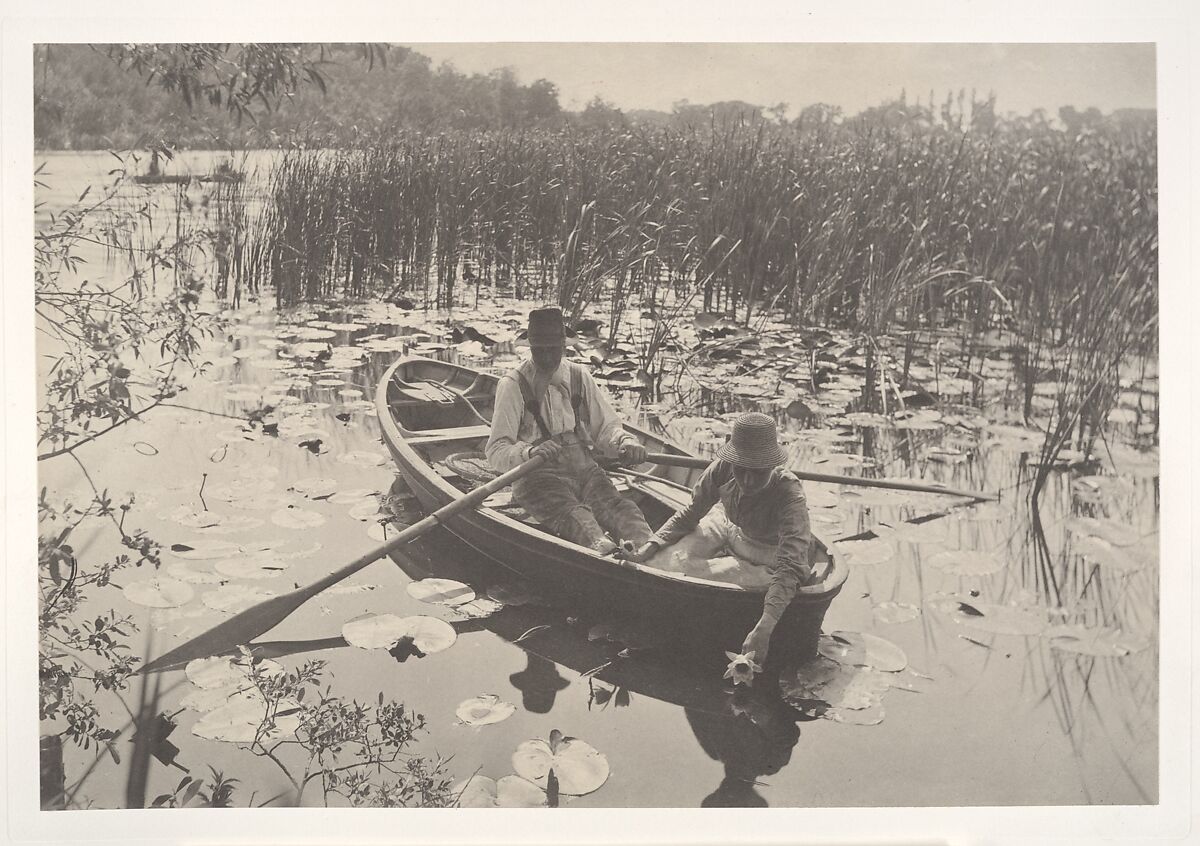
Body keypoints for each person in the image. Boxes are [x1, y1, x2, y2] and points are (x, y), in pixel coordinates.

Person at [628, 412, 815, 668]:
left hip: (767, 552)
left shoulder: (790, 494)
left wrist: (764, 628)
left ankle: (747, 572)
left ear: (772, 466)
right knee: (663, 563)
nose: (747, 481)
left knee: (702, 580)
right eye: (742, 470)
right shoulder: (725, 466)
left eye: (758, 473)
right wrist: (648, 547)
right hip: (727, 525)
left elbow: (792, 565)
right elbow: (691, 512)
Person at [485, 306, 654, 556]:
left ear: (564, 345)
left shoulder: (579, 375)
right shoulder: (512, 385)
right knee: (577, 517)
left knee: (621, 510)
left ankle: (650, 552)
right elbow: (496, 451)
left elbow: (606, 427)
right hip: (538, 477)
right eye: (538, 349)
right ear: (529, 346)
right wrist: (530, 452)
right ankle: (606, 555)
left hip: (585, 469)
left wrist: (625, 442)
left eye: (553, 349)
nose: (545, 357)